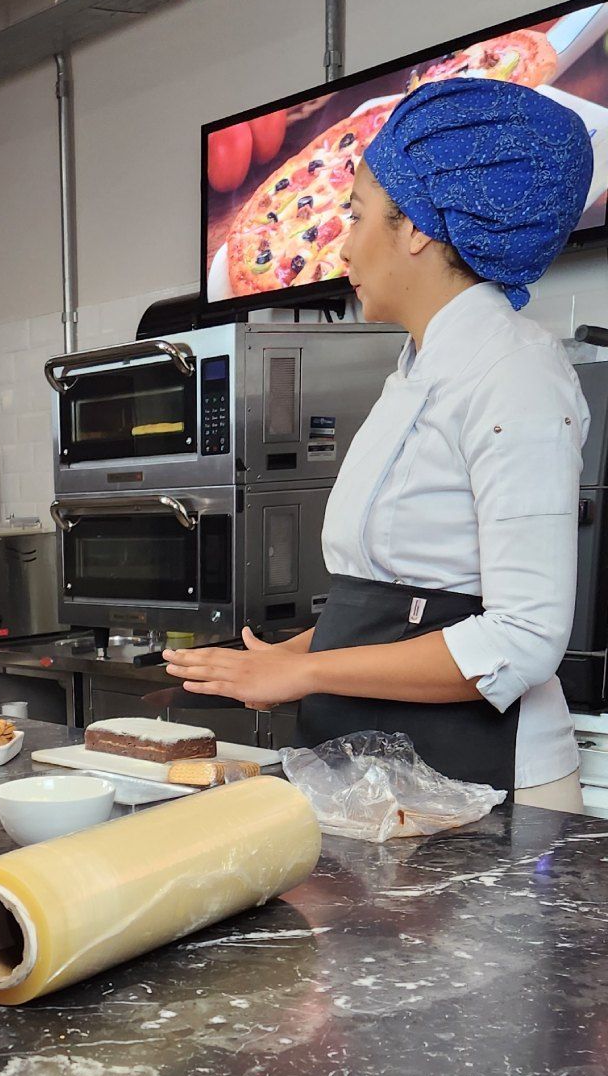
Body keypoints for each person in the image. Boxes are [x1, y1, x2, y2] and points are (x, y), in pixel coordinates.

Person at [168, 75, 594, 807]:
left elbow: (521, 639)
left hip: (488, 787)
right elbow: (401, 600)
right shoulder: (420, 369)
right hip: (389, 775)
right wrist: (288, 657)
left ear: (420, 227)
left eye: (358, 215)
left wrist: (304, 674)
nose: (340, 242)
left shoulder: (517, 374)